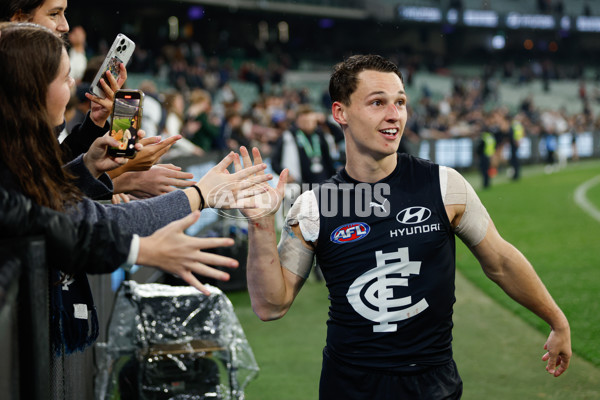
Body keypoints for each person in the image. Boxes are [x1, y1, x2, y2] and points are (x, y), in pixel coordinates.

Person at [239, 55, 571, 399]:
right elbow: (271, 306)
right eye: (377, 102)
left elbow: (500, 262)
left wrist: (557, 320)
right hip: (349, 387)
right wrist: (261, 224)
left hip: (432, 386)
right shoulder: (314, 206)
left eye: (400, 102)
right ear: (341, 113)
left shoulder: (445, 186)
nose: (394, 115)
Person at [0, 22, 273, 352]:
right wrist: (197, 196)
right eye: (64, 77)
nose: (75, 85)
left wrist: (87, 169)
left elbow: (55, 203)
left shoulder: (23, 153)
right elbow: (78, 222)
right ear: (31, 90)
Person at [270, 104, 337, 185]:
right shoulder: (289, 136)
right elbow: (274, 161)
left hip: (324, 182)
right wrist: (286, 175)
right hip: (302, 185)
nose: (309, 124)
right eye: (305, 121)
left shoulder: (319, 134)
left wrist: (325, 120)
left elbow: (339, 137)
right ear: (298, 120)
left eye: (312, 121)